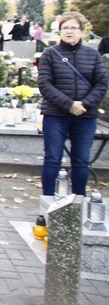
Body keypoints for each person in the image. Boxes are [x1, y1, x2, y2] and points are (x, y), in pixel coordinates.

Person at [37, 11, 108, 197]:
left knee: (81, 161)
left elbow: (101, 83)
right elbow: (45, 84)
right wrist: (69, 104)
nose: (69, 31)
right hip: (56, 114)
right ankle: (48, 200)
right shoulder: (49, 54)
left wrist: (84, 104)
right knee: (52, 159)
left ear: (81, 31)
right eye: (65, 28)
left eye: (74, 28)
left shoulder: (93, 55)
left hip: (85, 115)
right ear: (59, 31)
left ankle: (78, 201)